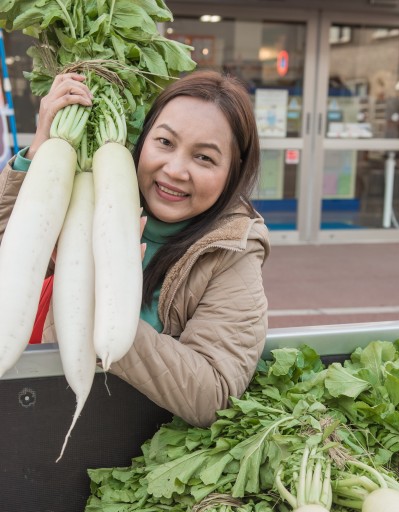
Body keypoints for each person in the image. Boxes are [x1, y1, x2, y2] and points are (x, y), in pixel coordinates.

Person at [0, 70, 270, 427]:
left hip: (132, 443)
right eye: (165, 142)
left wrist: (104, 303)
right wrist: (39, 153)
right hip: (32, 413)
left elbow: (214, 392)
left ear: (232, 172)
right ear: (142, 141)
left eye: (204, 158)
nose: (175, 170)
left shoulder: (232, 251)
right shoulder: (84, 187)